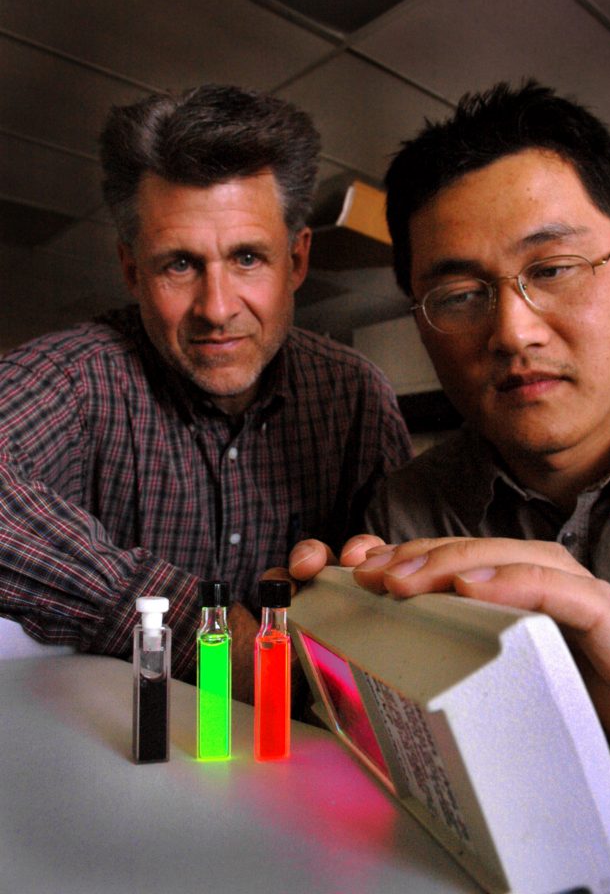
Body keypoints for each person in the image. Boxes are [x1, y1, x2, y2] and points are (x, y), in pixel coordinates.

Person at [287, 80, 610, 833]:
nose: (511, 332)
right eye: (460, 294)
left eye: (553, 268)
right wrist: (324, 666)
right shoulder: (403, 510)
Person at [0, 83, 411, 698]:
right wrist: (191, 626)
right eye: (180, 264)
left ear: (296, 260)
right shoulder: (79, 378)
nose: (217, 310)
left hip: (306, 765)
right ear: (132, 269)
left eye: (248, 258)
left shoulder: (357, 396)